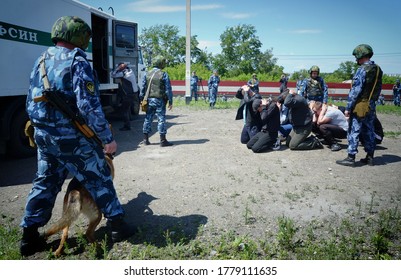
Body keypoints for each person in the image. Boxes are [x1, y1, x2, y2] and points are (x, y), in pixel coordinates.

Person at [20, 16, 135, 256]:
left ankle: (29, 236)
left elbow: (30, 98)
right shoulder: (77, 61)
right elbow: (88, 106)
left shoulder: (40, 59)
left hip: (44, 135)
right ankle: (117, 225)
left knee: (45, 182)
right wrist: (107, 138)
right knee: (99, 176)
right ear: (79, 37)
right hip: (72, 137)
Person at [336, 44, 383, 167]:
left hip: (360, 105)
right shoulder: (378, 69)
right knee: (369, 129)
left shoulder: (362, 69)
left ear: (360, 55)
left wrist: (348, 107)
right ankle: (370, 157)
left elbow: (355, 91)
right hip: (371, 104)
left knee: (354, 130)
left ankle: (351, 157)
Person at [140, 55, 173, 147]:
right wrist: (170, 101)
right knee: (161, 119)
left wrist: (141, 99)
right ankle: (163, 140)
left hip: (149, 100)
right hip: (160, 100)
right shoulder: (163, 74)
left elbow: (143, 88)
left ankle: (145, 139)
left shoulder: (147, 74)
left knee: (148, 118)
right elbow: (168, 89)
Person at [110, 62, 139, 131]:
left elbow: (112, 75)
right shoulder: (130, 71)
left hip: (128, 94)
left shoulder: (124, 73)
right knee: (127, 109)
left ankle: (127, 126)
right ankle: (128, 124)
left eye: (119, 66)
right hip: (134, 93)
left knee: (124, 110)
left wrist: (117, 68)